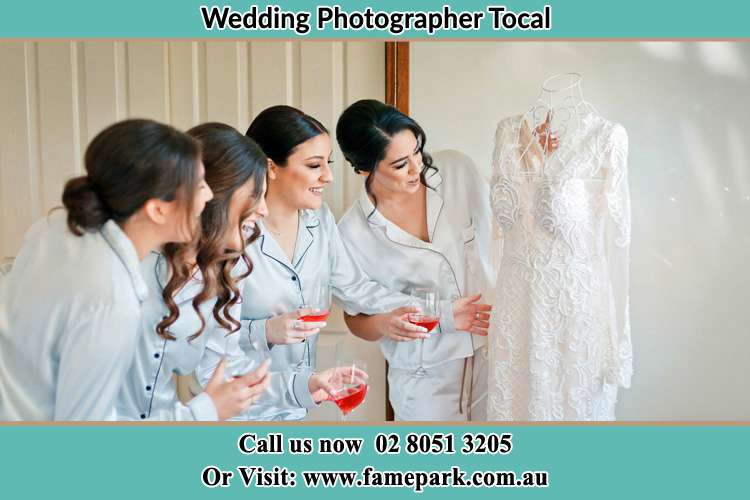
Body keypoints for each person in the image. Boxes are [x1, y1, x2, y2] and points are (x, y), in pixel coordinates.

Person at [196, 105, 414, 421]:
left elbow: (355, 288)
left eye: (328, 163)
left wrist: (435, 312)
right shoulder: (228, 236)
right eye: (314, 165)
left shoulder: (320, 220)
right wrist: (265, 330)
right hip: (239, 413)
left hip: (297, 403)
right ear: (270, 167)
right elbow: (209, 340)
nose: (328, 176)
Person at [0, 119, 209, 420]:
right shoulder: (112, 302)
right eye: (200, 185)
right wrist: (203, 412)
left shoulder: (54, 227)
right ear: (157, 209)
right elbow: (87, 443)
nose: (209, 196)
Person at [336, 99, 494, 420]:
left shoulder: (457, 172)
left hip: (490, 355)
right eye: (399, 164)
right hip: (423, 377)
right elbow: (355, 319)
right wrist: (382, 322)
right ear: (364, 167)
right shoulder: (351, 234)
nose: (416, 169)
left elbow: (512, 223)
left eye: (417, 152)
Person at [116, 123, 272, 421]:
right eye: (255, 195)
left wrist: (301, 386)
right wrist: (203, 414)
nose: (263, 209)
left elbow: (221, 366)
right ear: (212, 193)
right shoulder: (131, 263)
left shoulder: (223, 269)